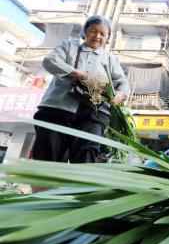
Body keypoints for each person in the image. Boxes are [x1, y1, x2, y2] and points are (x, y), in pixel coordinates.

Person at [31, 15, 130, 163]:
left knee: (87, 157)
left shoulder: (110, 59)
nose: (97, 36)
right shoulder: (69, 46)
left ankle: (78, 185)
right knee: (48, 156)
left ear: (108, 37)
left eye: (103, 34)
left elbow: (122, 82)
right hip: (58, 109)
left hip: (94, 114)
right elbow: (49, 61)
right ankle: (47, 186)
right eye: (93, 31)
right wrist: (77, 73)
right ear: (85, 32)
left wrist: (120, 94)